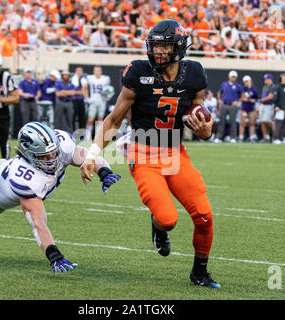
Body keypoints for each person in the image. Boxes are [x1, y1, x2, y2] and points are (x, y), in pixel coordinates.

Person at [81, 20, 220, 289]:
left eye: (165, 46)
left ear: (178, 48)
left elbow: (202, 121)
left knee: (204, 216)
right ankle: (158, 227)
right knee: (168, 220)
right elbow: (113, 120)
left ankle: (199, 273)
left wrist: (205, 131)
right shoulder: (138, 72)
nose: (158, 51)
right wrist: (92, 154)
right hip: (143, 152)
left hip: (175, 153)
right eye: (155, 45)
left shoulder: (195, 74)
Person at [0, 122, 121, 285]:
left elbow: (87, 157)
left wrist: (104, 172)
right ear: (28, 155)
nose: (52, 159)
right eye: (44, 157)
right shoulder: (26, 178)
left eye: (53, 153)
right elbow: (38, 223)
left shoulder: (60, 144)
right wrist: (53, 254)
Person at [215, 70, 244, 144]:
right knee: (222, 122)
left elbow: (243, 95)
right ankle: (219, 137)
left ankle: (233, 137)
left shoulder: (238, 85)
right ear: (229, 77)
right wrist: (219, 100)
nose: (233, 78)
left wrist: (237, 101)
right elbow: (219, 92)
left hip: (232, 106)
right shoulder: (224, 84)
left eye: (234, 77)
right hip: (224, 104)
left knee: (233, 122)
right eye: (232, 77)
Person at [85, 66, 111, 141]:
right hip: (93, 100)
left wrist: (107, 97)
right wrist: (86, 98)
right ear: (93, 71)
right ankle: (87, 137)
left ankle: (97, 137)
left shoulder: (105, 79)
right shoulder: (90, 78)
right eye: (95, 70)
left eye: (98, 70)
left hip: (102, 101)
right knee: (90, 119)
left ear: (101, 71)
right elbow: (84, 88)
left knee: (100, 120)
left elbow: (108, 89)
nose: (97, 72)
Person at [258, 73, 277, 143]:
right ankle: (265, 137)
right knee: (262, 122)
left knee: (268, 121)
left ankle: (274, 135)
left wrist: (262, 100)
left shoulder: (273, 86)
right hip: (263, 105)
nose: (265, 80)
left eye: (266, 79)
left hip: (269, 105)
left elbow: (270, 96)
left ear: (270, 79)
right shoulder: (265, 86)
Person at [239, 75, 258, 143]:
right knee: (242, 123)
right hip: (244, 107)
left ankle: (252, 137)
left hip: (251, 108)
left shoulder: (254, 88)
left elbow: (256, 98)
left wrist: (253, 100)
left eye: (249, 81)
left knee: (252, 123)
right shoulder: (242, 88)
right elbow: (240, 98)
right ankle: (241, 137)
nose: (248, 82)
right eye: (246, 81)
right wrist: (245, 99)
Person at [273, 73, 285, 144]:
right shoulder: (278, 87)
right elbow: (275, 98)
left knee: (284, 124)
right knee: (278, 124)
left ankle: (281, 138)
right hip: (279, 108)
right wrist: (276, 106)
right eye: (284, 78)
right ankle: (276, 138)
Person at [70, 67, 88, 131]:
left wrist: (86, 98)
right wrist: (80, 92)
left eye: (80, 70)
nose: (79, 72)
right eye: (78, 70)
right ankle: (73, 132)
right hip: (74, 100)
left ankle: (81, 134)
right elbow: (73, 90)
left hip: (81, 100)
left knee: (82, 118)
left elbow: (85, 90)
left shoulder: (84, 79)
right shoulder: (72, 79)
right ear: (75, 72)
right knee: (73, 117)